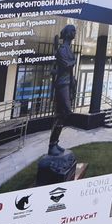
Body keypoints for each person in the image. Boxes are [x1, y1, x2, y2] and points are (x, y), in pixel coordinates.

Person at [48, 24, 78, 157]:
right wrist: (73, 61)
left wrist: (73, 82)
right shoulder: (62, 49)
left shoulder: (68, 49)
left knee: (61, 115)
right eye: (73, 31)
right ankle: (52, 144)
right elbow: (66, 64)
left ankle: (54, 144)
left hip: (67, 83)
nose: (75, 33)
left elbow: (68, 67)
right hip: (62, 84)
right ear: (67, 33)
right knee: (65, 112)